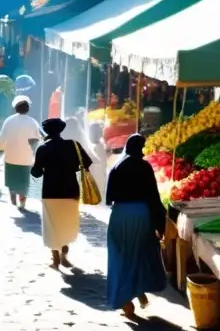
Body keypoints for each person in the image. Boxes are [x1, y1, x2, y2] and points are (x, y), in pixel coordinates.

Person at [105, 134, 168, 318]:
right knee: (139, 254)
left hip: (120, 216)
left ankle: (127, 302)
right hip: (141, 215)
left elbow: (109, 198)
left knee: (120, 256)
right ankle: (138, 293)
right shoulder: (145, 166)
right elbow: (153, 197)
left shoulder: (117, 166)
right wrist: (160, 225)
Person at [30, 118, 92, 270]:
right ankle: (64, 254)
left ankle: (55, 258)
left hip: (50, 191)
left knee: (52, 225)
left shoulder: (43, 148)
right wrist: (70, 168)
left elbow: (36, 172)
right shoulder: (73, 145)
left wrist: (44, 168)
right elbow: (87, 162)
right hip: (71, 190)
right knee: (67, 223)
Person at [0, 96, 40, 209]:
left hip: (11, 156)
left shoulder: (9, 120)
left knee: (11, 181)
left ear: (15, 108)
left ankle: (13, 202)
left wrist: (0, 149)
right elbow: (36, 139)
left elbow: (2, 137)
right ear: (28, 109)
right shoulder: (33, 122)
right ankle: (22, 201)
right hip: (26, 158)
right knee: (24, 181)